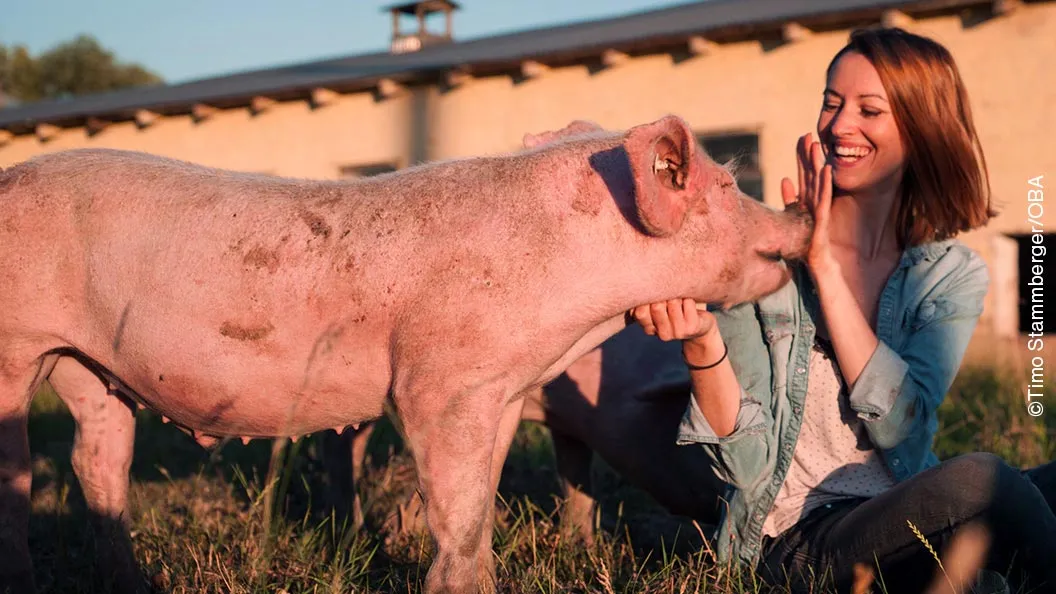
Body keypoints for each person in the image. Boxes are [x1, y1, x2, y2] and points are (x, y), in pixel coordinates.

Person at [630, 26, 1056, 593]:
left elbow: (905, 433)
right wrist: (703, 344)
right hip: (801, 541)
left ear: (922, 128)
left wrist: (826, 269)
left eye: (868, 109)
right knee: (986, 481)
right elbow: (745, 468)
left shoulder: (949, 273)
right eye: (831, 102)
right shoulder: (762, 254)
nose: (838, 124)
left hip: (911, 508)